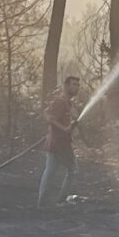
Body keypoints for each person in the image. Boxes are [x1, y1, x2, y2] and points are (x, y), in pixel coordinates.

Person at [38, 76, 80, 208]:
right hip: (59, 144)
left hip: (57, 143)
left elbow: (46, 112)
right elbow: (50, 118)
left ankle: (42, 202)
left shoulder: (67, 103)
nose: (77, 87)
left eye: (78, 85)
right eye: (74, 84)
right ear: (66, 86)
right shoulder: (60, 102)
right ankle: (59, 201)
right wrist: (65, 129)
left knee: (50, 171)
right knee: (73, 170)